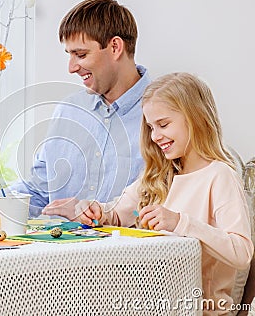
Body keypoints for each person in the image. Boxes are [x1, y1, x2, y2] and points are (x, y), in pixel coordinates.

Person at [44, 72, 253, 313]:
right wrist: (95, 211)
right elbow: (117, 214)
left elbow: (242, 253)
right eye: (151, 127)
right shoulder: (157, 175)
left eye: (163, 124)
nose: (155, 136)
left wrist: (179, 222)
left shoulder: (220, 176)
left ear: (196, 118)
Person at [12, 0, 151, 217]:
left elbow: (168, 201)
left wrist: (91, 212)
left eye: (81, 54)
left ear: (115, 47)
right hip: (56, 250)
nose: (72, 67)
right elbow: (37, 193)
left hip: (127, 250)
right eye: (70, 55)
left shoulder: (164, 115)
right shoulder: (68, 110)